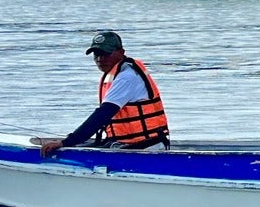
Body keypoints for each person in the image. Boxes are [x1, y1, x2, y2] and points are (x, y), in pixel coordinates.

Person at [34, 30, 170, 156]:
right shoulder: (115, 73)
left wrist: (65, 143)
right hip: (127, 143)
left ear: (121, 52)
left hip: (147, 148)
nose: (100, 59)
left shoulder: (127, 77)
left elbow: (102, 115)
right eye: (97, 54)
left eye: (106, 53)